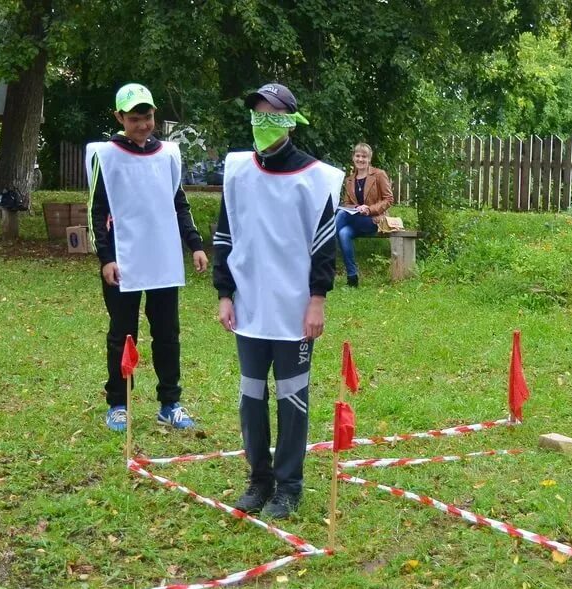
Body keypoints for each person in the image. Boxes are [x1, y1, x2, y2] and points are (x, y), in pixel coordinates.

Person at [212, 83, 343, 520]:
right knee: (251, 396)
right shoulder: (237, 172)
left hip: (293, 311)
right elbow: (225, 238)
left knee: (292, 398)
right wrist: (225, 294)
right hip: (248, 309)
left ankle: (289, 485)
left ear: (290, 120)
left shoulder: (316, 177)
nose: (262, 123)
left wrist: (317, 301)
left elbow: (324, 248)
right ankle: (258, 479)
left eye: (272, 115)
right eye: (257, 114)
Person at [86, 83, 208, 433]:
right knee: (123, 334)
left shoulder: (168, 154)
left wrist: (195, 244)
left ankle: (170, 402)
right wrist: (105, 257)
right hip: (123, 262)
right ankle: (118, 404)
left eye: (149, 117)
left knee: (168, 334)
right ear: (119, 117)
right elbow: (96, 209)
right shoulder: (105, 155)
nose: (143, 125)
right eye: (136, 118)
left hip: (163, 260)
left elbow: (178, 202)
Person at [334, 143, 394, 287]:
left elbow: (389, 199)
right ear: (353, 158)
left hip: (373, 220)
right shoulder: (349, 180)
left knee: (341, 214)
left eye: (364, 156)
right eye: (358, 156)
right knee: (343, 233)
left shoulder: (379, 175)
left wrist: (369, 209)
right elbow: (347, 203)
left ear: (369, 159)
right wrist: (357, 208)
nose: (360, 159)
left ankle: (321, 249)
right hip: (354, 219)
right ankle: (352, 277)